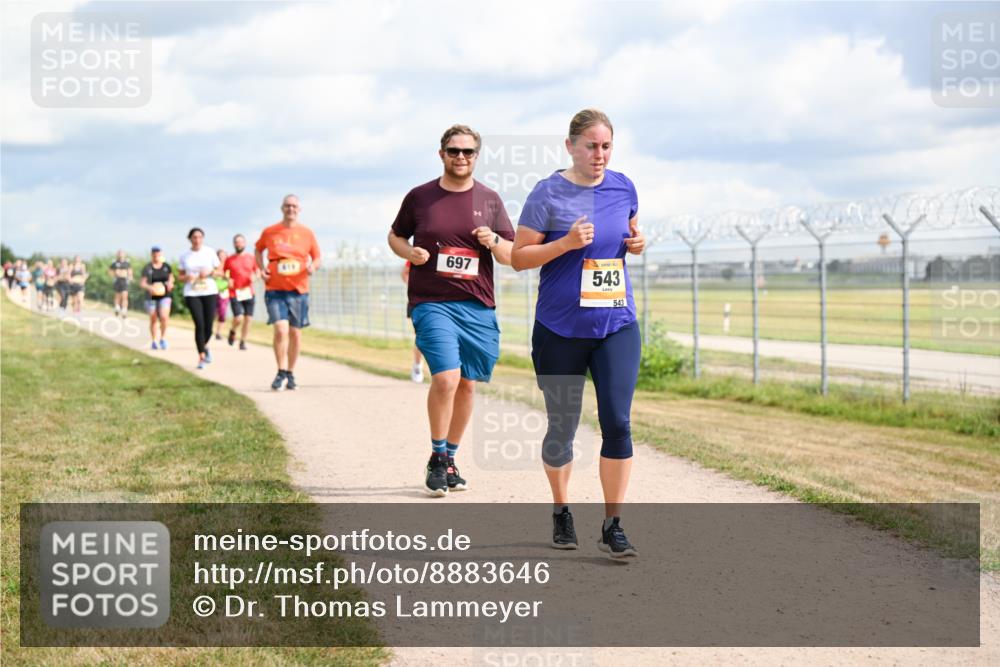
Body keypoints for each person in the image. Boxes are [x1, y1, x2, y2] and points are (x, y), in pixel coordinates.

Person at [510, 109, 646, 559]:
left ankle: (613, 523)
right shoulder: (547, 193)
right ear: (570, 146)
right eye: (591, 145)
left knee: (618, 422)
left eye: (606, 146)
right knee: (563, 428)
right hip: (559, 328)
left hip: (615, 322)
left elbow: (628, 233)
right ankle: (562, 508)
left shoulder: (623, 187)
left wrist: (636, 243)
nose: (600, 154)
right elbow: (519, 257)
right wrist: (565, 243)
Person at [388, 124, 515, 496]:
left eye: (468, 152)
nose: (461, 157)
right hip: (431, 302)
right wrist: (408, 252)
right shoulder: (420, 197)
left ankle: (451, 459)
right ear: (441, 153)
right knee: (446, 378)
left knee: (468, 384)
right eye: (454, 151)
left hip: (477, 305)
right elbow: (395, 235)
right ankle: (437, 456)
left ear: (477, 156)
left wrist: (493, 241)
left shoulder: (490, 200)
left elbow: (510, 255)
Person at [254, 194, 321, 391]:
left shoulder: (307, 233)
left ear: (299, 210)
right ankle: (280, 370)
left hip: (299, 290)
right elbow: (258, 250)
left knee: (295, 333)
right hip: (275, 289)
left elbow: (317, 257)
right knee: (281, 329)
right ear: (282, 208)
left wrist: (312, 267)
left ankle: (290, 373)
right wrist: (261, 268)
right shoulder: (270, 231)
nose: (290, 209)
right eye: (287, 206)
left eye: (294, 206)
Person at [178, 228, 221, 369]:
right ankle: (201, 356)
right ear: (189, 238)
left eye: (200, 237)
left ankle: (204, 346)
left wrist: (209, 272)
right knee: (199, 324)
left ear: (203, 238)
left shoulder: (209, 252)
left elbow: (219, 272)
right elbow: (180, 276)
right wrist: (187, 277)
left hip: (209, 290)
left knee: (209, 325)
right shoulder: (185, 255)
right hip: (192, 292)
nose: (197, 240)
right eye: (194, 237)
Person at [223, 234, 259, 350]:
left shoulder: (251, 258)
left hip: (248, 291)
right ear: (234, 244)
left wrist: (255, 277)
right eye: (236, 242)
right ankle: (233, 331)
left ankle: (243, 341)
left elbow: (257, 272)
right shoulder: (229, 259)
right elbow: (224, 273)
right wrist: (228, 279)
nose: (239, 244)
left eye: (241, 242)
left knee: (248, 319)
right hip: (235, 292)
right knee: (238, 318)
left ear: (244, 243)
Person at [140, 246, 174, 350]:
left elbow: (171, 279)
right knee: (153, 318)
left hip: (165, 296)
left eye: (158, 254)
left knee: (164, 317)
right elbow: (142, 283)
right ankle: (154, 340)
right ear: (152, 255)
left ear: (161, 254)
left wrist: (170, 284)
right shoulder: (147, 268)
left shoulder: (166, 267)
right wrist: (150, 287)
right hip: (151, 297)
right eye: (154, 254)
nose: (156, 256)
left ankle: (163, 338)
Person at [401, 260, 425, 383]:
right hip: (418, 301)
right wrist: (414, 285)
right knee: (420, 336)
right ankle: (417, 365)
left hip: (441, 300)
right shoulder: (419, 252)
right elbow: (404, 273)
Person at [108, 250, 133, 318]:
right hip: (117, 280)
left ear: (124, 255)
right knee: (117, 296)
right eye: (119, 253)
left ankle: (124, 311)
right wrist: (113, 276)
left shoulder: (127, 263)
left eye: (122, 253)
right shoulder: (115, 263)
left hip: (124, 280)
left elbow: (130, 271)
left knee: (125, 296)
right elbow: (110, 271)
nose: (121, 255)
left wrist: (130, 277)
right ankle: (117, 308)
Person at [213, 248, 230, 341]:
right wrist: (221, 274)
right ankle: (209, 329)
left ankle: (218, 332)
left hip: (224, 292)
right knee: (213, 312)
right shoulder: (214, 265)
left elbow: (230, 278)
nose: (222, 257)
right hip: (213, 291)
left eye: (223, 255)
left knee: (222, 312)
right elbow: (212, 274)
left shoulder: (229, 266)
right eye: (220, 255)